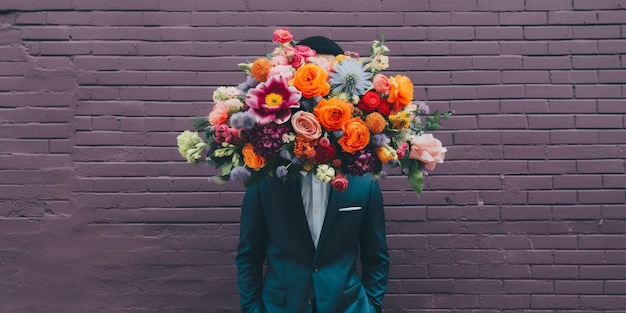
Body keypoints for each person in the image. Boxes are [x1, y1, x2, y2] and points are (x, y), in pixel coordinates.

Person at [236, 36, 390, 313]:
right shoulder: (265, 179)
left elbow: (376, 257)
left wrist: (371, 306)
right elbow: (249, 255)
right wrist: (253, 309)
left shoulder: (363, 183)